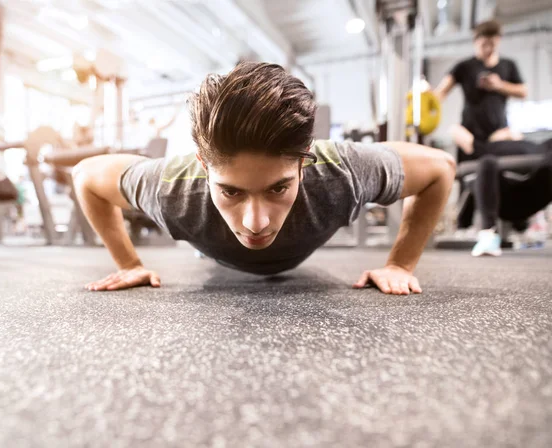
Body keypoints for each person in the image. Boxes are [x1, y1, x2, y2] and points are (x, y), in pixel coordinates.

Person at [73, 62, 456, 296]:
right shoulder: (172, 187)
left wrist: (400, 265)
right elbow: (86, 174)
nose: (256, 223)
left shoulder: (343, 171)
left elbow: (439, 168)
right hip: (211, 251)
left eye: (278, 187)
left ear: (305, 164)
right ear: (204, 168)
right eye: (230, 191)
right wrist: (129, 264)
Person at [434, 20, 527, 161]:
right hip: (470, 136)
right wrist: (425, 97)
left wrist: (499, 85)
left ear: (498, 41)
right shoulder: (464, 67)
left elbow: (523, 91)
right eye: (484, 45)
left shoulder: (508, 65)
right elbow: (439, 93)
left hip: (499, 133)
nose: (489, 49)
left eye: (493, 45)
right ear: (475, 42)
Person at [470, 139, 552, 256]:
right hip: (504, 198)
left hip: (534, 193)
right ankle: (488, 234)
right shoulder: (490, 145)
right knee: (487, 162)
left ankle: (520, 228)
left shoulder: (536, 146)